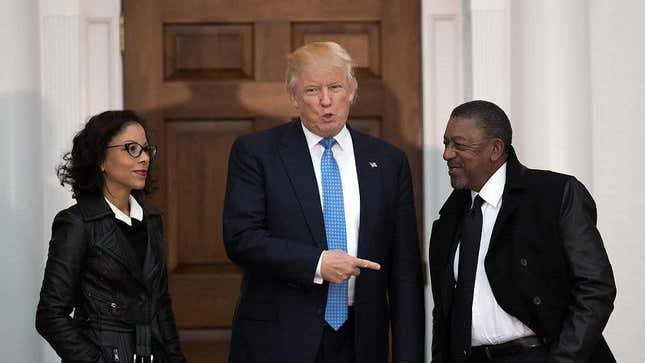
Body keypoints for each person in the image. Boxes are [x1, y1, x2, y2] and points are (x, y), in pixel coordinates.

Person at [223, 41, 424, 363]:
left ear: (352, 91)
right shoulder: (258, 153)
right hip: (280, 340)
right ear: (293, 97)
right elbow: (241, 239)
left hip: (361, 341)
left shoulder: (387, 161)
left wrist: (408, 354)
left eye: (335, 87)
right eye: (313, 90)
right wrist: (318, 263)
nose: (326, 101)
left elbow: (405, 270)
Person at [428, 100, 616, 363]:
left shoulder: (554, 194)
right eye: (446, 143)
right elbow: (443, 313)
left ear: (495, 149)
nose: (447, 154)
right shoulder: (447, 220)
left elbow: (595, 288)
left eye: (459, 145)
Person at [36, 110, 186, 363]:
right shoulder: (76, 223)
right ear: (100, 159)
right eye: (132, 148)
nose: (145, 158)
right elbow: (50, 316)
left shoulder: (151, 220)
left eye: (147, 149)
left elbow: (161, 306)